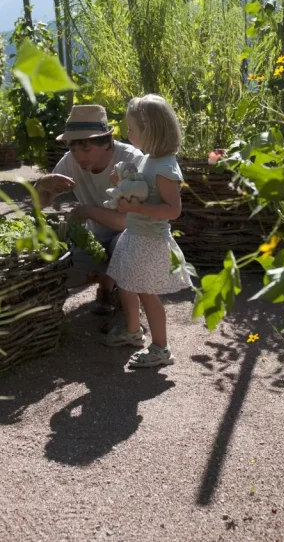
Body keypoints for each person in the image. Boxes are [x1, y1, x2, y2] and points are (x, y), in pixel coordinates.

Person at [103, 94, 192, 368]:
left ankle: (161, 348)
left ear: (149, 131)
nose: (127, 133)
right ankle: (133, 331)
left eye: (131, 129)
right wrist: (122, 183)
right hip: (136, 236)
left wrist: (139, 209)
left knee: (146, 293)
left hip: (150, 241)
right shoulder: (148, 159)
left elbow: (172, 210)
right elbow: (140, 187)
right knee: (127, 284)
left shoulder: (165, 168)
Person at [34, 105, 144, 313]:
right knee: (65, 270)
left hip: (135, 239)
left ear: (106, 143)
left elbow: (132, 221)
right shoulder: (70, 161)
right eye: (74, 149)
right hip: (96, 240)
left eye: (86, 149)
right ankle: (105, 281)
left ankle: (121, 303)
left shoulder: (131, 160)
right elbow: (40, 204)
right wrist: (41, 184)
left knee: (126, 243)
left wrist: (88, 211)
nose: (78, 156)